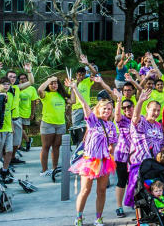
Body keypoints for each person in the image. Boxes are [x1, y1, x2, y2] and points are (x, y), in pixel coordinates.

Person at [67, 78, 118, 226]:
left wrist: (111, 151)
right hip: (90, 160)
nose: (107, 111)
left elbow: (113, 145)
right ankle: (78, 217)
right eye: (104, 108)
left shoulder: (112, 126)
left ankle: (99, 217)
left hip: (105, 161)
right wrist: (74, 88)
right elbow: (83, 103)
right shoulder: (93, 120)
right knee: (85, 190)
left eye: (109, 109)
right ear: (98, 109)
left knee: (101, 190)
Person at [125, 89, 164, 207]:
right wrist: (141, 101)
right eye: (153, 110)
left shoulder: (158, 126)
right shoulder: (142, 121)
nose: (156, 113)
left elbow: (161, 143)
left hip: (155, 164)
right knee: (139, 192)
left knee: (156, 190)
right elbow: (135, 117)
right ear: (147, 109)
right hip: (140, 163)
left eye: (158, 110)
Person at [37, 76, 69, 176]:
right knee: (46, 147)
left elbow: (73, 101)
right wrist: (48, 80)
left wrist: (73, 87)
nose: (54, 85)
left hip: (60, 124)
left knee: (56, 147)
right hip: (48, 124)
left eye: (56, 83)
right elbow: (39, 89)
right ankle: (44, 170)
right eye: (52, 83)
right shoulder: (45, 94)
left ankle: (54, 168)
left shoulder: (61, 95)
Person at [112, 88, 135, 218]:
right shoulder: (122, 120)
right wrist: (119, 99)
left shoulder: (139, 119)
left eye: (129, 107)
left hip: (135, 156)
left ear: (133, 107)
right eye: (124, 108)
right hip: (122, 155)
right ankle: (119, 207)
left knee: (134, 180)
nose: (127, 110)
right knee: (122, 180)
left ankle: (133, 201)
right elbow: (116, 116)